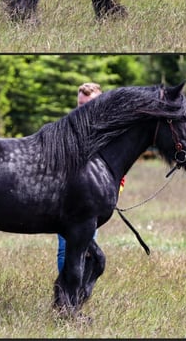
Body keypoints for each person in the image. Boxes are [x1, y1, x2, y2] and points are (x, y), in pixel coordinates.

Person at [57, 82, 126, 273]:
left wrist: (112, 193)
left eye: (89, 104)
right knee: (65, 249)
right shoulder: (67, 131)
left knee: (88, 248)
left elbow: (117, 169)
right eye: (81, 105)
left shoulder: (109, 133)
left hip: (93, 203)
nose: (84, 109)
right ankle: (65, 294)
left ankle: (77, 293)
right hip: (68, 203)